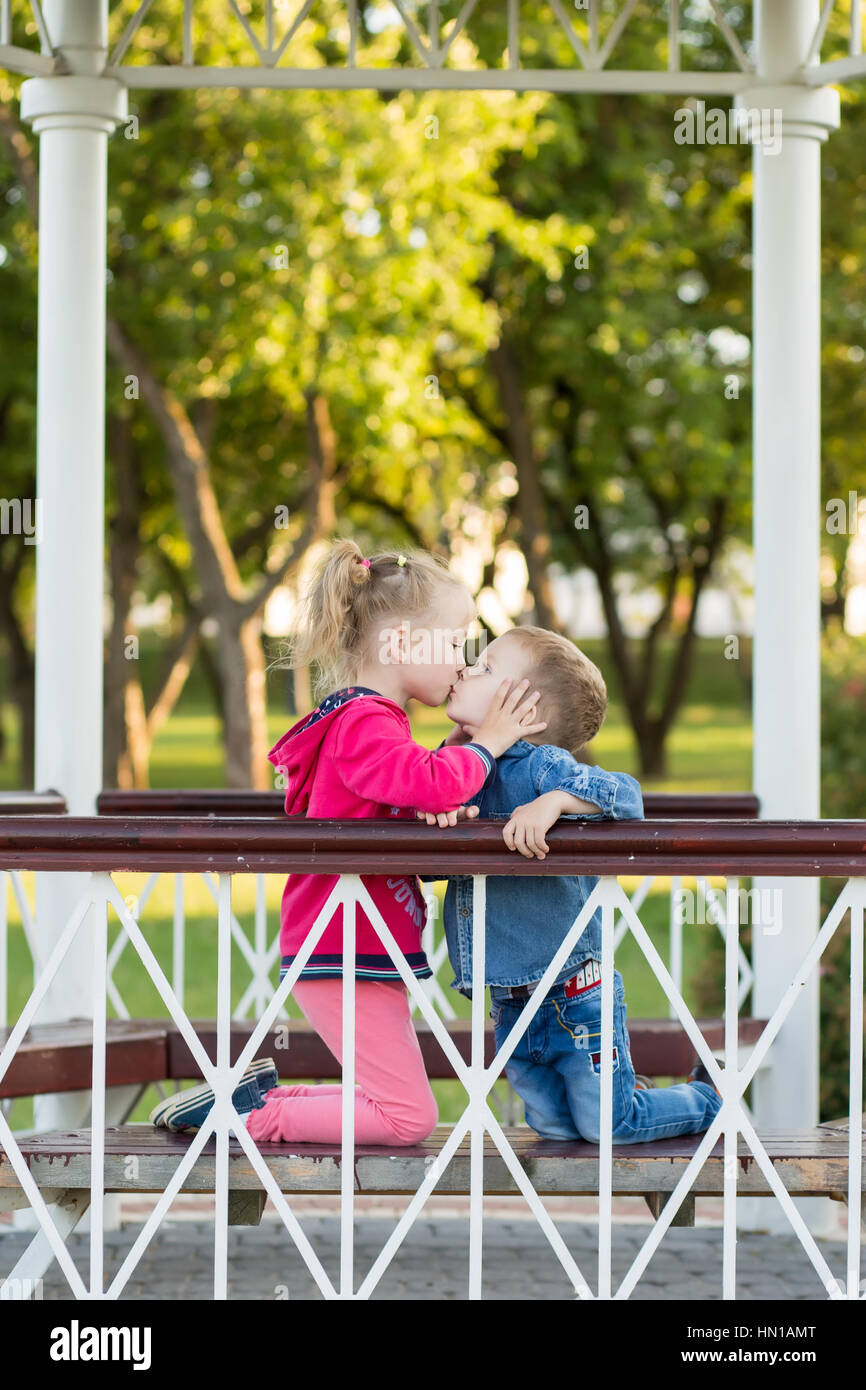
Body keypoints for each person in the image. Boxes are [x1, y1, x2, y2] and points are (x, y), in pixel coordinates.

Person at [151, 539, 547, 1143]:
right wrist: (484, 745)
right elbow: (429, 780)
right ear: (402, 643)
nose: (463, 662)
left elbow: (413, 788)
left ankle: (257, 1100)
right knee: (409, 1117)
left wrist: (432, 807)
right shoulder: (365, 721)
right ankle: (251, 1118)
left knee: (391, 1101)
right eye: (454, 642)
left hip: (361, 949)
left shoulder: (378, 722)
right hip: (340, 948)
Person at [419, 624, 722, 1144]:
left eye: (487, 667)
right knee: (554, 1127)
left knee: (610, 1127)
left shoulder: (542, 767)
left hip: (574, 994)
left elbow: (625, 796)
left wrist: (555, 801)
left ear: (528, 715)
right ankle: (625, 1088)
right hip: (511, 1002)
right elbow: (428, 861)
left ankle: (707, 1096)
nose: (466, 667)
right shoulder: (462, 772)